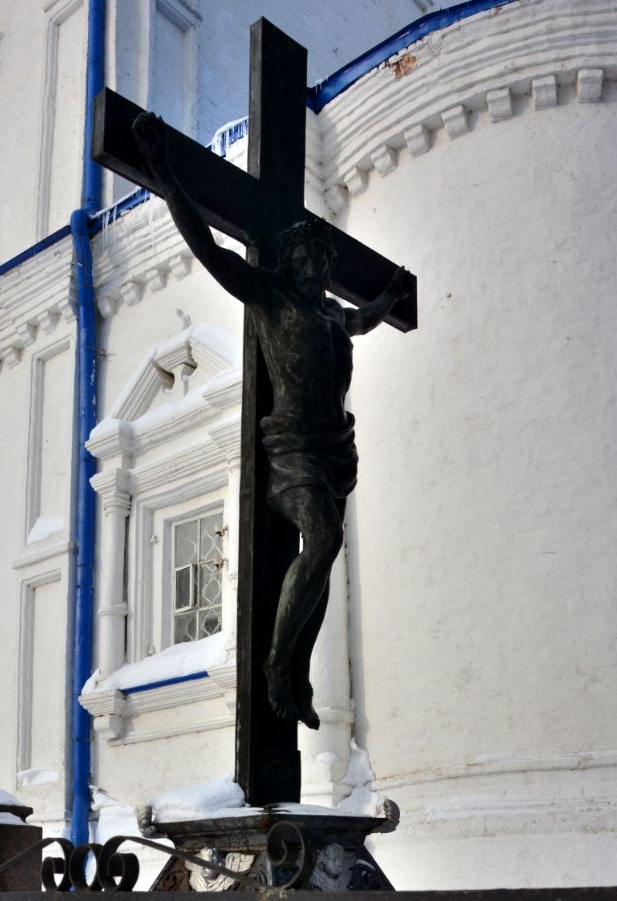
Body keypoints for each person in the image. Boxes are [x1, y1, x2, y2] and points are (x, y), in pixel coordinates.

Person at [133, 111, 414, 729]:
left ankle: (299, 670)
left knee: (325, 554)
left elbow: (365, 320)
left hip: (335, 450)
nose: (314, 263)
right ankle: (276, 666)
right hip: (291, 450)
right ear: (287, 261)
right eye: (304, 255)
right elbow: (208, 247)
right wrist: (162, 168)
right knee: (325, 541)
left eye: (320, 255)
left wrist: (391, 295)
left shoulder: (335, 317)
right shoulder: (270, 296)